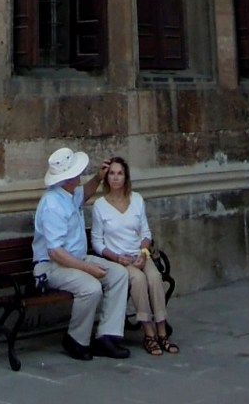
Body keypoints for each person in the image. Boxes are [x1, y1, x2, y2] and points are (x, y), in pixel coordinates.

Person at [32, 147, 129, 361]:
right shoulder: (52, 205)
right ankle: (76, 339)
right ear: (68, 178)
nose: (80, 174)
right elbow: (55, 252)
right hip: (52, 267)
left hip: (76, 259)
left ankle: (107, 336)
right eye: (77, 172)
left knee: (119, 275)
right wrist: (88, 268)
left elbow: (84, 193)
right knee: (90, 288)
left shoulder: (68, 193)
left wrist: (98, 177)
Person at [90, 156, 177, 356]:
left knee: (154, 277)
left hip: (140, 254)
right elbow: (97, 242)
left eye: (119, 173)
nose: (115, 178)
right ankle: (148, 333)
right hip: (120, 259)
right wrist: (116, 257)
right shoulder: (100, 206)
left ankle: (162, 331)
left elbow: (145, 233)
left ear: (126, 177)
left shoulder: (136, 199)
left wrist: (144, 253)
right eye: (112, 173)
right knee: (138, 280)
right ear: (106, 177)